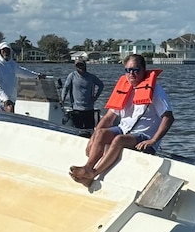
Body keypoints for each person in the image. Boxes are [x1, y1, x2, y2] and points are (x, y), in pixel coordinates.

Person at [69, 54, 174, 187]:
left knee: (119, 140)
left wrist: (153, 141)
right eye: (128, 70)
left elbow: (168, 117)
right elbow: (108, 118)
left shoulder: (155, 91)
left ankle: (93, 173)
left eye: (135, 70)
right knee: (100, 133)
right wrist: (94, 137)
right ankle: (88, 168)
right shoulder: (124, 88)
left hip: (144, 136)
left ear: (143, 69)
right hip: (124, 130)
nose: (131, 74)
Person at [0, 41, 45, 112]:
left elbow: (23, 72)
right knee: (9, 108)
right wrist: (5, 99)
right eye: (3, 50)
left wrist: (37, 75)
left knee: (12, 109)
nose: (5, 52)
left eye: (7, 50)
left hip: (10, 97)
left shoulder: (12, 64)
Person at [61, 58, 104, 130]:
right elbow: (65, 88)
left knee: (90, 130)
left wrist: (96, 97)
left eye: (81, 65)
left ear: (85, 65)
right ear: (75, 66)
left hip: (89, 109)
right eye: (78, 65)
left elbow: (101, 85)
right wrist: (62, 99)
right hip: (76, 109)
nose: (80, 67)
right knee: (78, 130)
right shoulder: (72, 76)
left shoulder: (91, 77)